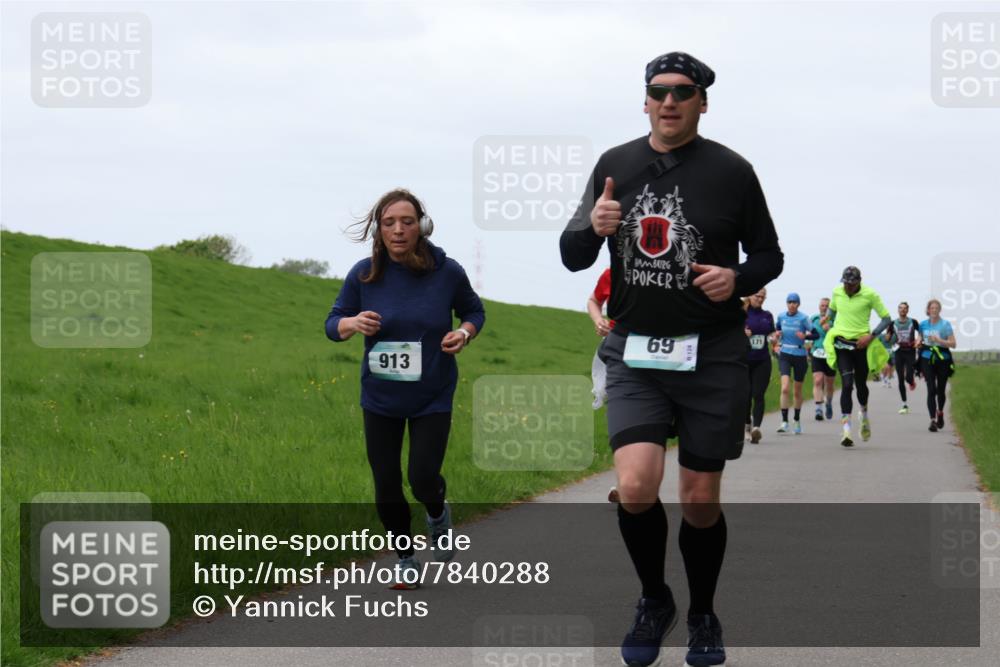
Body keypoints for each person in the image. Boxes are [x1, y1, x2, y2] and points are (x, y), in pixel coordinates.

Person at [560, 51, 783, 667]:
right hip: (635, 351)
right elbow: (572, 256)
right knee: (634, 487)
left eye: (683, 92)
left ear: (701, 102)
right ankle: (655, 599)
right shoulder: (615, 165)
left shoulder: (733, 172)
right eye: (658, 91)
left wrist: (736, 278)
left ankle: (704, 613)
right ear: (645, 99)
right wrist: (593, 228)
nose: (669, 101)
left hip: (711, 355)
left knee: (701, 500)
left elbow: (769, 256)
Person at [325, 189, 485, 588]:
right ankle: (406, 558)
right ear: (379, 229)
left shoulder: (447, 272)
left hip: (432, 392)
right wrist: (352, 324)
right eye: (389, 222)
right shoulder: (363, 274)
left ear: (422, 226)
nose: (398, 230)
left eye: (407, 221)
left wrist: (463, 334)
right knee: (386, 482)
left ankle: (437, 512)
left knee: (423, 476)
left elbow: (474, 311)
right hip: (380, 396)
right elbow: (333, 323)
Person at [822, 266, 891, 447]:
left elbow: (886, 319)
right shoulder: (837, 292)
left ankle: (864, 414)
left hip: (861, 345)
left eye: (851, 284)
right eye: (845, 283)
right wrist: (826, 318)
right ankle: (846, 431)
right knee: (846, 385)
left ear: (859, 282)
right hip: (841, 344)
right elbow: (833, 311)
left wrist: (871, 335)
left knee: (861, 386)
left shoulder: (870, 295)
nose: (847, 287)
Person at [590, 267, 624, 503]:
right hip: (618, 353)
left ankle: (640, 478)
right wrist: (598, 319)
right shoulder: (612, 272)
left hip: (661, 358)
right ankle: (624, 482)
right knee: (621, 415)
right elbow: (594, 300)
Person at [773, 293, 813, 434]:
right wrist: (777, 335)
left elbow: (816, 334)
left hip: (800, 355)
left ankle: (796, 420)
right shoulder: (781, 317)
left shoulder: (803, 318)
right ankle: (784, 422)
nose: (792, 304)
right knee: (784, 388)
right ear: (786, 303)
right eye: (789, 302)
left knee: (797, 391)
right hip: (785, 354)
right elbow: (777, 329)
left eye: (794, 302)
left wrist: (806, 336)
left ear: (798, 304)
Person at [919, 299, 956, 432]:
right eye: (932, 308)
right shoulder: (923, 324)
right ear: (928, 310)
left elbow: (953, 343)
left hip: (943, 359)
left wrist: (939, 340)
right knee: (931, 389)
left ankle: (940, 412)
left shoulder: (945, 324)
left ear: (939, 310)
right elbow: (920, 338)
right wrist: (918, 342)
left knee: (940, 390)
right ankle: (932, 420)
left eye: (936, 308)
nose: (934, 310)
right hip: (927, 358)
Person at [744, 288, 775, 444]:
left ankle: (756, 428)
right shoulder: (741, 313)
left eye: (763, 297)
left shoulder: (767, 316)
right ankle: (747, 425)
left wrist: (774, 337)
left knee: (758, 394)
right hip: (744, 361)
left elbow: (771, 333)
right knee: (746, 396)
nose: (760, 299)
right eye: (758, 296)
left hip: (762, 360)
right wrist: (742, 333)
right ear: (750, 295)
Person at [888, 302, 920, 414]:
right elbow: (888, 336)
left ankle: (911, 381)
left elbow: (921, 333)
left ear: (907, 310)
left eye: (904, 308)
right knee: (900, 378)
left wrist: (918, 341)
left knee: (908, 377)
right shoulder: (893, 323)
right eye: (900, 308)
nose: (902, 310)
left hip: (910, 351)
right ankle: (904, 404)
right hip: (899, 352)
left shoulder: (913, 322)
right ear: (898, 310)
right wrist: (888, 337)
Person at [809, 298, 836, 421]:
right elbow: (809, 332)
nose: (824, 307)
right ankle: (818, 408)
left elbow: (840, 335)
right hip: (817, 352)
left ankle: (828, 402)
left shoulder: (835, 320)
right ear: (819, 306)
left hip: (830, 354)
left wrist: (829, 330)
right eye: (822, 305)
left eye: (826, 306)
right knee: (818, 380)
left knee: (829, 383)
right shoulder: (813, 319)